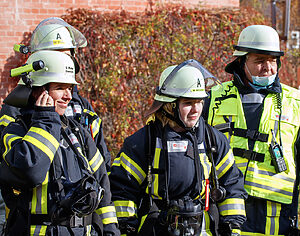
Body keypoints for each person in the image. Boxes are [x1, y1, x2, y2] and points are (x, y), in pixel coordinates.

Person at [109, 59, 247, 236]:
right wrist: (127, 228)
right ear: (169, 105)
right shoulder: (143, 142)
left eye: (200, 102)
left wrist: (232, 227)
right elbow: (123, 189)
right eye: (188, 103)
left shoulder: (213, 140)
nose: (196, 110)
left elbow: (232, 184)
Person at [0, 50, 120, 235]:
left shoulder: (78, 133)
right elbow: (31, 171)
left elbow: (103, 186)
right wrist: (46, 120)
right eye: (60, 87)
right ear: (37, 90)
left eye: (70, 88)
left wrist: (111, 231)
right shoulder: (16, 132)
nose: (68, 96)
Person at [203, 25, 300, 235]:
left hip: (277, 219)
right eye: (259, 61)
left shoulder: (296, 103)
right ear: (241, 62)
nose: (268, 68)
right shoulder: (213, 100)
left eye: (273, 61)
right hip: (225, 212)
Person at [1, 17, 112, 172]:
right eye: (54, 55)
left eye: (66, 56)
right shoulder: (15, 109)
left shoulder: (82, 107)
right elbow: (13, 163)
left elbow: (102, 160)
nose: (62, 63)